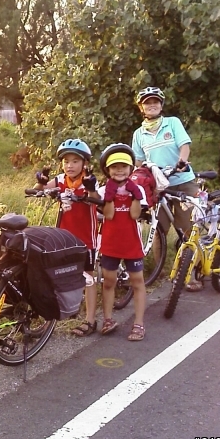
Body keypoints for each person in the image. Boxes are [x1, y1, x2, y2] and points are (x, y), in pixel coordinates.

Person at [131, 86, 202, 291]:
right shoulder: (139, 134)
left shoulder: (172, 123)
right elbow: (138, 161)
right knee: (158, 228)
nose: (151, 104)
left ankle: (191, 274)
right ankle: (160, 273)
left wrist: (182, 161)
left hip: (182, 181)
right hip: (158, 187)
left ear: (161, 105)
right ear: (141, 107)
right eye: (147, 102)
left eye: (155, 101)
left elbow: (184, 145)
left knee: (187, 228)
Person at [34, 138, 100, 337]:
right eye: (66, 161)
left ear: (84, 164)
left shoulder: (88, 180)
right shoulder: (61, 180)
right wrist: (41, 182)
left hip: (85, 238)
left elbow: (97, 200)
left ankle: (90, 320)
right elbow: (38, 192)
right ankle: (61, 310)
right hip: (63, 237)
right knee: (58, 273)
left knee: (88, 277)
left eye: (75, 161)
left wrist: (90, 190)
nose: (69, 165)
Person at [98, 143, 147, 341]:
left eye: (123, 166)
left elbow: (135, 215)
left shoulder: (138, 190)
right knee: (108, 282)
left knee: (137, 282)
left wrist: (133, 194)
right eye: (114, 167)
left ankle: (139, 323)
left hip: (131, 243)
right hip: (110, 243)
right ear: (108, 170)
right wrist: (110, 195)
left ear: (130, 169)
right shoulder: (104, 190)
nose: (119, 170)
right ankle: (108, 319)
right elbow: (108, 215)